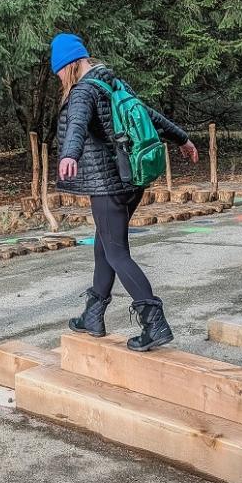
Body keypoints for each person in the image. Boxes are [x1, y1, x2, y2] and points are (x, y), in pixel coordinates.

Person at [51, 32, 198, 351]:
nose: (60, 78)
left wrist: (69, 154)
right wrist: (183, 139)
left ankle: (154, 322)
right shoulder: (115, 83)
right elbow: (151, 116)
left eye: (60, 71)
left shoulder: (83, 91)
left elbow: (76, 125)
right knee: (104, 246)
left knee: (116, 251)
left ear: (69, 65)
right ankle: (93, 315)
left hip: (107, 185)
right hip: (131, 179)